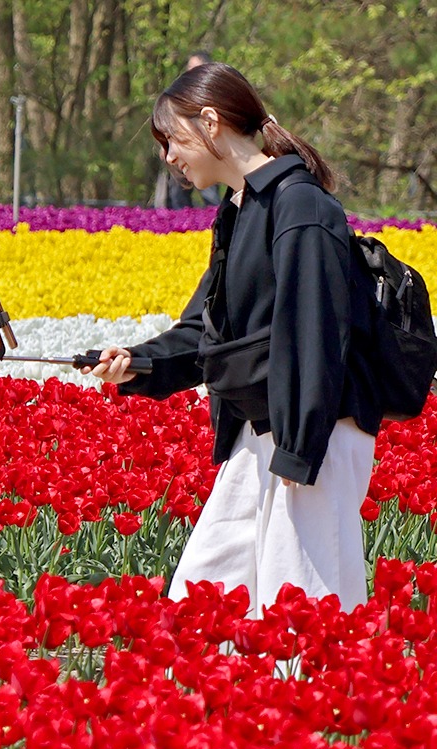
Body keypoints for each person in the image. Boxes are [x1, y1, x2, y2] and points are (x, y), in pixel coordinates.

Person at [86, 62, 381, 616]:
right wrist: (139, 362)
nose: (168, 157)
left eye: (171, 140)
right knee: (206, 593)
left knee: (300, 608)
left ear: (210, 122)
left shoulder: (301, 205)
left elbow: (315, 335)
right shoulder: (240, 208)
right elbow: (207, 329)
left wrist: (299, 451)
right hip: (260, 427)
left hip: (313, 434)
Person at [154, 51, 221, 209]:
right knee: (178, 197)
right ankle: (183, 224)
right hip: (182, 154)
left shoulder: (213, 94)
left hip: (206, 153)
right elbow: (172, 122)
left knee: (210, 196)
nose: (190, 71)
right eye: (189, 68)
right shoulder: (180, 93)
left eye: (195, 67)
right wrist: (166, 146)